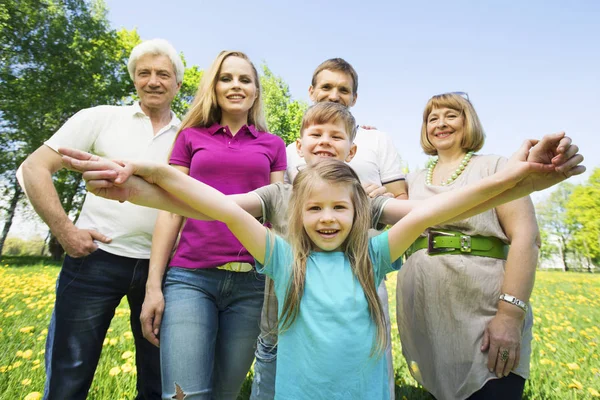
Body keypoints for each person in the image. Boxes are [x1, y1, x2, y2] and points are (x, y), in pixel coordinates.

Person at [59, 105, 584, 400]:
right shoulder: (283, 257)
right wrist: (144, 174)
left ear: (360, 210)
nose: (328, 218)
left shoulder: (373, 256)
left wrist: (521, 177)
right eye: (314, 211)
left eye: (340, 208)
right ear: (294, 215)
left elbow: (437, 210)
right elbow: (215, 205)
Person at [17, 38, 184, 399]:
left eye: (163, 74)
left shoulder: (190, 135)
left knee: (158, 378)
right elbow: (33, 169)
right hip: (95, 262)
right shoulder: (101, 117)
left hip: (163, 271)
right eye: (144, 73)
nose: (153, 81)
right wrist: (65, 231)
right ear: (134, 79)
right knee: (69, 374)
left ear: (178, 84)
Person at [141, 50, 286, 400]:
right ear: (214, 88)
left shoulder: (273, 145)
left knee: (225, 392)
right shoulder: (191, 137)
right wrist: (153, 287)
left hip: (251, 284)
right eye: (226, 78)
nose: (235, 85)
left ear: (255, 91)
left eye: (244, 79)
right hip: (191, 279)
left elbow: (278, 214)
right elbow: (170, 210)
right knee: (184, 394)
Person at [267, 57, 404, 399]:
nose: (334, 94)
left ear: (354, 97)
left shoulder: (375, 141)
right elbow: (280, 204)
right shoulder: (292, 148)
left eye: (343, 89)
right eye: (326, 87)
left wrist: (381, 196)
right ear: (311, 91)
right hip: (297, 272)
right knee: (287, 351)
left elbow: (401, 201)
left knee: (365, 350)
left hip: (362, 267)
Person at [396, 92, 542, 400]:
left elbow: (526, 237)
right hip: (430, 317)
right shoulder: (412, 181)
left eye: (451, 115)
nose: (440, 123)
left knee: (493, 386)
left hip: (484, 308)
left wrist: (509, 315)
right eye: (432, 118)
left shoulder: (497, 168)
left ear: (468, 122)